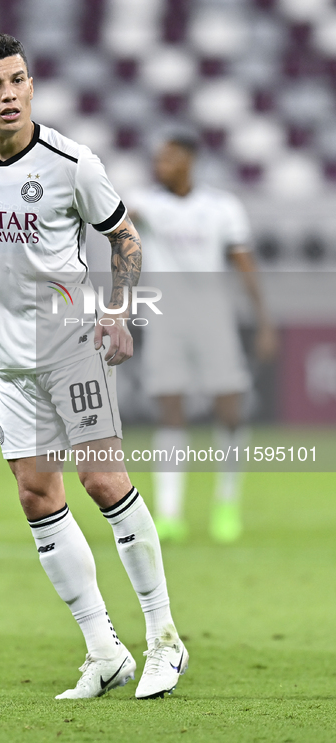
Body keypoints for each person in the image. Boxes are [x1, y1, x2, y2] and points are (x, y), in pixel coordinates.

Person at [0, 34, 187, 700]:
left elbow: (123, 235)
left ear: (32, 86)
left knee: (100, 477)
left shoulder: (70, 161)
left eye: (19, 80)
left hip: (71, 343)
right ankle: (103, 650)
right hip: (8, 359)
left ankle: (164, 639)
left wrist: (117, 312)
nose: (9, 95)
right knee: (36, 494)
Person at [128, 134, 277, 544]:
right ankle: (169, 513)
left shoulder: (222, 207)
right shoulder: (145, 203)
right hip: (166, 321)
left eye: (170, 158)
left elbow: (243, 262)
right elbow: (115, 225)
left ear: (190, 161)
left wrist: (263, 320)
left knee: (230, 412)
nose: (161, 165)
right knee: (169, 411)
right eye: (158, 158)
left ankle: (226, 502)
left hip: (214, 320)